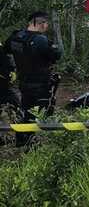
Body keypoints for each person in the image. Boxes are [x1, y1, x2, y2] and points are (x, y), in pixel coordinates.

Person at [4, 11, 62, 147]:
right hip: (40, 84)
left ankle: (21, 139)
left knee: (25, 110)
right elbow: (57, 55)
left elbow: (6, 50)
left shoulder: (15, 37)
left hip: (24, 82)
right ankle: (30, 143)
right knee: (37, 113)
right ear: (40, 24)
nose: (47, 26)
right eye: (46, 23)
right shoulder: (41, 40)